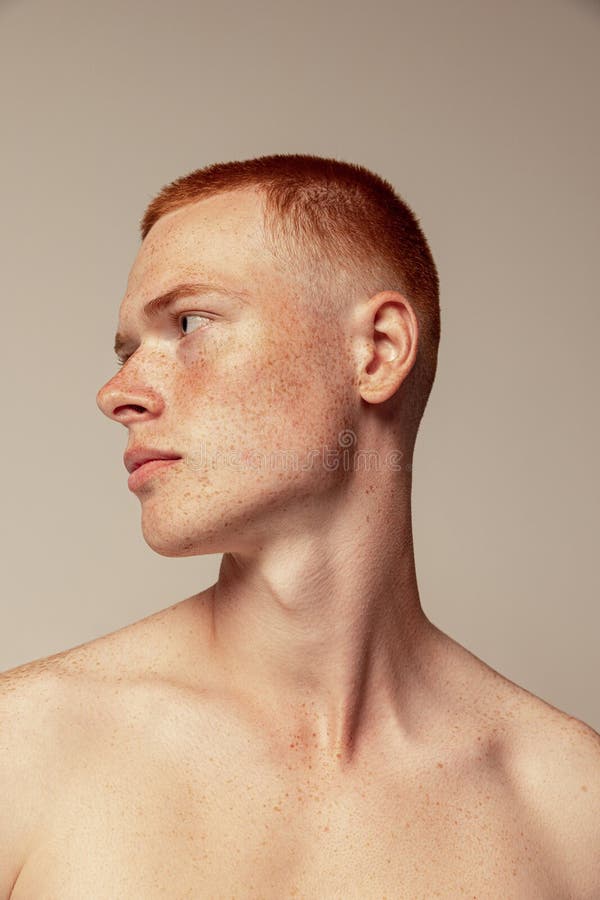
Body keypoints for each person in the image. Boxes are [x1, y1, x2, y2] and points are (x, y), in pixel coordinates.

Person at [1, 154, 598, 898]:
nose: (117, 392)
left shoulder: (572, 810)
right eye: (128, 351)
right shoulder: (23, 752)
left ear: (376, 351)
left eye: (189, 322)